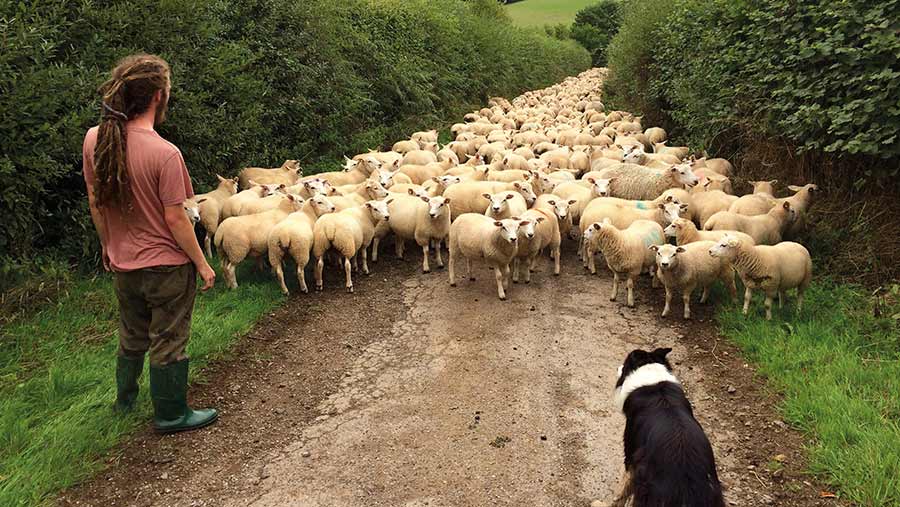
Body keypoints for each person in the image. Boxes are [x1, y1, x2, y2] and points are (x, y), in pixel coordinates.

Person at [83, 54, 218, 433]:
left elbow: (97, 201)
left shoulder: (95, 139)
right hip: (166, 267)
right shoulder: (165, 153)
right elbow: (176, 218)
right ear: (158, 96)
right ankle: (172, 413)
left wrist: (109, 246)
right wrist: (203, 264)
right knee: (169, 338)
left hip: (124, 263)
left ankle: (124, 400)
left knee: (132, 333)